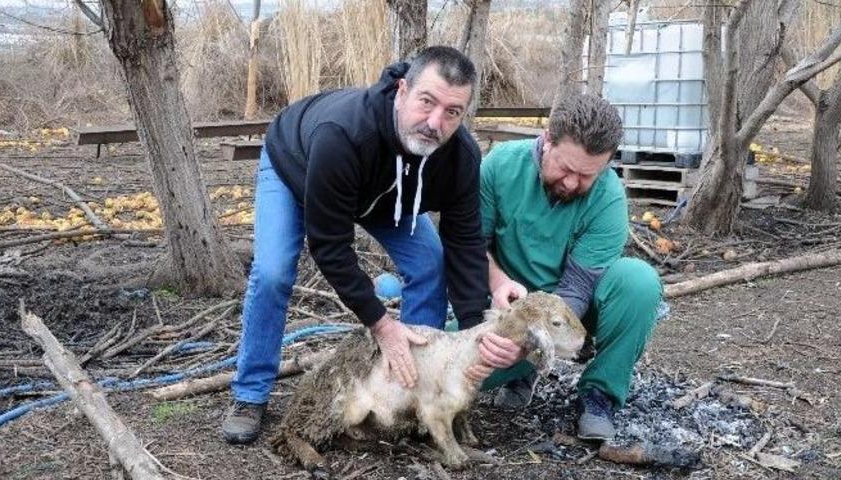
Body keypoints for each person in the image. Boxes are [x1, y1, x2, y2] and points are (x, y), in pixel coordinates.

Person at [221, 46, 491, 444]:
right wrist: (383, 325)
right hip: (295, 169)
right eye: (426, 102)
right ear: (402, 91)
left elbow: (465, 242)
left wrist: (476, 335)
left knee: (430, 263)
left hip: (385, 192)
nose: (435, 122)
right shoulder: (344, 134)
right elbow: (330, 245)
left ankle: (413, 389)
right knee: (274, 271)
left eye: (452, 112)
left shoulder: (460, 157)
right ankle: (250, 394)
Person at [466, 93, 664, 441]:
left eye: (586, 175)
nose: (572, 183)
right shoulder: (498, 166)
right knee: (445, 367)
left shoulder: (609, 199)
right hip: (505, 305)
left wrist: (531, 341)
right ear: (546, 142)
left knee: (639, 282)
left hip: (572, 312)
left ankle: (599, 394)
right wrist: (498, 284)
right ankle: (519, 373)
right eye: (566, 169)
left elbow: (576, 289)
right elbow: (470, 246)